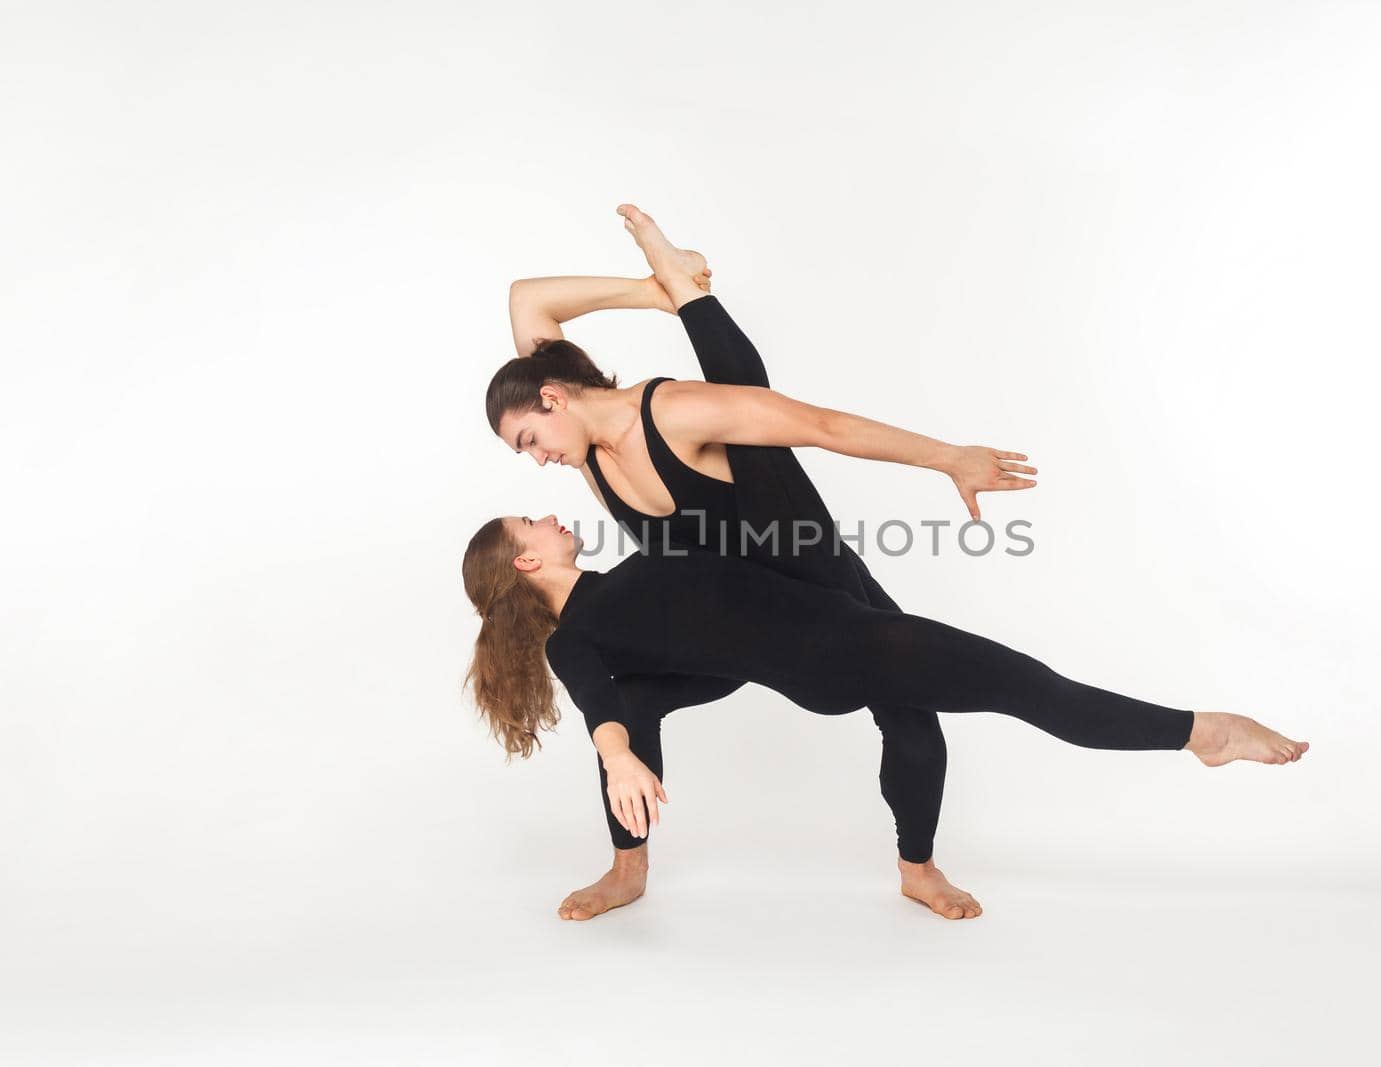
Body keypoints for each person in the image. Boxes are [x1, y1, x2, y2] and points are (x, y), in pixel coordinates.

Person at [487, 205, 1036, 920]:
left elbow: (821, 426)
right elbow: (528, 310)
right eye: (523, 449)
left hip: (807, 578)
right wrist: (650, 289)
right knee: (632, 702)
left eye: (531, 437)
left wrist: (948, 459)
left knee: (907, 710)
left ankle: (919, 868)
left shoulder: (663, 413)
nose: (538, 459)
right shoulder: (586, 452)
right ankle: (627, 869)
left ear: (553, 395)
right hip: (723, 620)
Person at [459, 514, 1310, 916]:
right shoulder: (579, 638)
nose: (548, 511)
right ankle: (1205, 732)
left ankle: (916, 867)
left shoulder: (621, 586)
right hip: (839, 650)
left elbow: (689, 658)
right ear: (527, 559)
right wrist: (617, 753)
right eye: (529, 520)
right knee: (1033, 688)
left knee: (921, 721)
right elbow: (601, 707)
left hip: (831, 638)